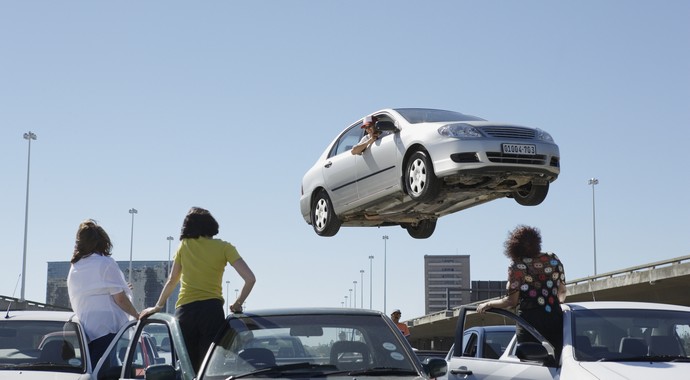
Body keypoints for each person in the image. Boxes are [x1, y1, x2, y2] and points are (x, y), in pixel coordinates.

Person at [139, 207, 256, 372]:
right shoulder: (224, 247)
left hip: (185, 312)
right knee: (209, 367)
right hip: (211, 311)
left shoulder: (184, 246)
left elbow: (172, 280)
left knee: (188, 367)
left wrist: (158, 306)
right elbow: (250, 279)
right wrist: (238, 304)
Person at [477, 225, 567, 359]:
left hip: (529, 322)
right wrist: (554, 304)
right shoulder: (553, 258)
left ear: (514, 246)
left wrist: (489, 304)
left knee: (529, 363)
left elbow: (511, 301)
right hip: (554, 318)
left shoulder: (517, 265)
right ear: (537, 241)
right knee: (556, 361)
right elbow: (562, 291)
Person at [67, 220, 139, 366]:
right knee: (107, 373)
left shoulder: (75, 268)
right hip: (107, 331)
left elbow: (94, 292)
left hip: (85, 332)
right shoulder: (105, 263)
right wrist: (138, 316)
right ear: (103, 242)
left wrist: (123, 288)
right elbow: (120, 299)